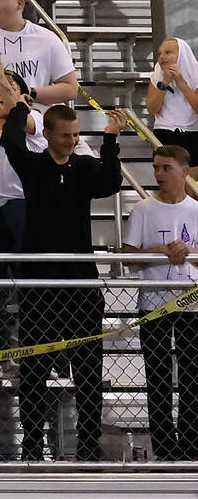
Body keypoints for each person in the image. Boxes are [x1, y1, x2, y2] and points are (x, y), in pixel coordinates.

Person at [0, 89, 126, 462]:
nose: (71, 142)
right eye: (65, 135)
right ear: (49, 134)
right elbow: (10, 141)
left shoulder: (84, 167)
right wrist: (21, 107)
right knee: (35, 369)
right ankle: (32, 446)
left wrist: (110, 139)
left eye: (75, 136)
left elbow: (110, 183)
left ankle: (87, 445)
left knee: (88, 370)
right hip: (40, 285)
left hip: (81, 284)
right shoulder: (33, 165)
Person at [125, 142, 198, 461]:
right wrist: (160, 251)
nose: (158, 174)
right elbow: (128, 256)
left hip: (191, 304)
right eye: (155, 167)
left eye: (166, 168)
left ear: (184, 171)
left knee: (192, 377)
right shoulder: (143, 209)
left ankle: (191, 444)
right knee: (157, 379)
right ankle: (166, 448)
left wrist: (188, 254)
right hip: (153, 303)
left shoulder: (196, 211)